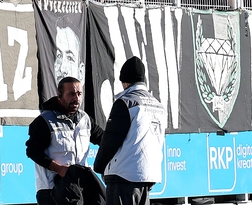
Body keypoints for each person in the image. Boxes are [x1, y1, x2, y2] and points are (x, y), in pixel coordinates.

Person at [93, 57, 166, 205]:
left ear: (124, 81)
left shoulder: (125, 102)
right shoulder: (158, 105)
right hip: (148, 175)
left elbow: (111, 139)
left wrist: (99, 166)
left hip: (123, 176)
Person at [26, 77, 105, 205]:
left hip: (80, 188)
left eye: (79, 94)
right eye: (71, 94)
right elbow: (33, 151)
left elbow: (105, 141)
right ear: (59, 95)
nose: (76, 98)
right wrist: (59, 169)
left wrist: (106, 167)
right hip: (51, 189)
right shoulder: (45, 121)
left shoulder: (85, 119)